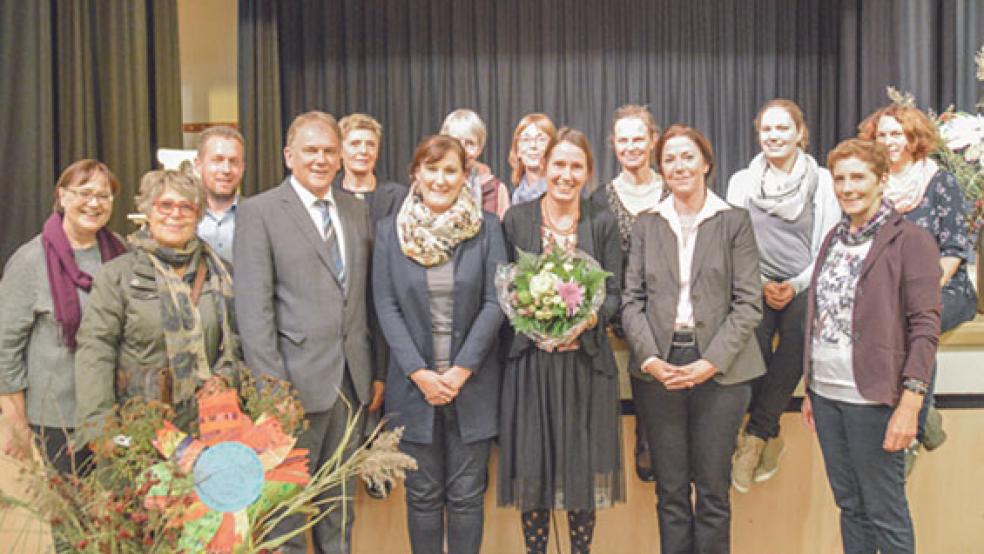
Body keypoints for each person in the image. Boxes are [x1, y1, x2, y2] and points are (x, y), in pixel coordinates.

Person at [234, 110, 373, 554]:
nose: (321, 159)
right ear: (288, 155)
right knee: (287, 515)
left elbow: (362, 299)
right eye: (311, 150)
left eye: (330, 151)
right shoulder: (259, 212)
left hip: (351, 384)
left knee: (341, 511)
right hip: (292, 389)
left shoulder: (354, 209)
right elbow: (254, 313)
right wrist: (274, 392)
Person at [621, 124, 765, 554]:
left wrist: (710, 363)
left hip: (721, 372)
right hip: (659, 369)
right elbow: (631, 302)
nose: (679, 166)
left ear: (706, 163)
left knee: (714, 493)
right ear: (660, 168)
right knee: (670, 493)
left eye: (688, 156)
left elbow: (748, 303)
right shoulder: (647, 225)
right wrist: (649, 359)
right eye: (669, 159)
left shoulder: (733, 222)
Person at [801, 138, 940, 554]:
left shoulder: (910, 240)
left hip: (877, 399)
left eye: (858, 177)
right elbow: (821, 317)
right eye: (840, 179)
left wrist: (911, 403)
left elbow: (925, 326)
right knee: (851, 507)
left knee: (885, 512)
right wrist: (812, 388)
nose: (848, 187)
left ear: (882, 180)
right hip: (827, 395)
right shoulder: (833, 239)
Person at [373, 135, 506, 554]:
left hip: (473, 386)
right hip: (415, 389)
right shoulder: (390, 233)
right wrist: (421, 373)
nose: (441, 179)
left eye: (451, 170)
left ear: (466, 176)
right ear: (416, 173)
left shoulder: (487, 230)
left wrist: (460, 370)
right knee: (423, 499)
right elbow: (386, 306)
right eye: (432, 169)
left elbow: (495, 301)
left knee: (467, 498)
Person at [498, 127, 624, 554]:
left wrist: (589, 319)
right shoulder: (516, 219)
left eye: (576, 166)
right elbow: (506, 291)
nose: (566, 174)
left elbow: (618, 295)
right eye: (559, 165)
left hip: (585, 368)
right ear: (544, 167)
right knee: (533, 476)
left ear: (588, 172)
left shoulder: (601, 221)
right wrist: (529, 312)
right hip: (531, 368)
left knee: (580, 477)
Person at [75, 169, 238, 444]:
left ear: (198, 215)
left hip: (207, 427)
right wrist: (101, 428)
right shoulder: (119, 275)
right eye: (165, 205)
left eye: (186, 206)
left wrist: (224, 377)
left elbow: (239, 340)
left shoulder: (221, 273)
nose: (175, 214)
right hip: (139, 427)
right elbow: (96, 350)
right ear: (148, 211)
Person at [726, 99, 840, 492]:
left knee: (798, 339)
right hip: (753, 282)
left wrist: (795, 285)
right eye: (767, 130)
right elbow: (733, 243)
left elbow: (827, 242)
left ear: (799, 133)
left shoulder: (822, 181)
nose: (774, 136)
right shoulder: (741, 181)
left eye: (782, 128)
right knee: (750, 341)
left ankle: (757, 436)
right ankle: (765, 435)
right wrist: (758, 282)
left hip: (807, 282)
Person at [858, 103, 977, 470]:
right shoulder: (871, 185)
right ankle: (927, 420)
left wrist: (921, 289)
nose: (890, 142)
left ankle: (912, 427)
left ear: (913, 138)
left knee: (916, 322)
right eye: (882, 135)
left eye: (898, 134)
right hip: (890, 292)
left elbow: (955, 248)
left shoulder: (939, 181)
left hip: (946, 286)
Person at [0, 160, 126, 473]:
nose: (94, 203)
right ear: (62, 196)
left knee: (120, 514)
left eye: (104, 196)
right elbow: (5, 349)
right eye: (84, 193)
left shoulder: (122, 253)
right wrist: (16, 424)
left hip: (116, 413)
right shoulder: (30, 261)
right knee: (72, 517)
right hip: (56, 420)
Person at [590, 103, 666, 483]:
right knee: (640, 327)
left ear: (653, 141)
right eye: (624, 140)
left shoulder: (674, 189)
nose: (631, 146)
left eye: (639, 138)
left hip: (674, 303)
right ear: (613, 145)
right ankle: (648, 437)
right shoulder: (600, 199)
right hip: (625, 307)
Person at [335, 113, 407, 476]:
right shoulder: (327, 196)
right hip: (344, 318)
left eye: (370, 144)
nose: (363, 151)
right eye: (355, 143)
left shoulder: (398, 197)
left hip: (388, 317)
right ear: (341, 149)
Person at [440, 108, 510, 219]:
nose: (463, 150)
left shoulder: (496, 190)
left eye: (470, 143)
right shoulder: (434, 184)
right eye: (456, 142)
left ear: (480, 149)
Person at [195, 125, 245, 262]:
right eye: (217, 160)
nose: (226, 169)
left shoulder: (259, 217)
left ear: (242, 168)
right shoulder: (180, 217)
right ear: (198, 165)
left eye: (234, 162)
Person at [507, 113, 557, 205]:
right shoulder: (515, 197)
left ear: (553, 147)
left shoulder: (560, 193)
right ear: (517, 150)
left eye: (541, 139)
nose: (533, 145)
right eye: (526, 139)